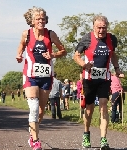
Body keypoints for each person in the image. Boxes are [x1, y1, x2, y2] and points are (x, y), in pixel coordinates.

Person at [16, 6, 67, 150]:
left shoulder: (51, 34)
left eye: (43, 18)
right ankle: (36, 141)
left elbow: (63, 50)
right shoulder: (26, 34)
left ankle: (32, 135)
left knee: (40, 111)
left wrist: (53, 55)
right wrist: (19, 55)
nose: (41, 21)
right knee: (33, 108)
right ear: (32, 21)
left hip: (46, 76)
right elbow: (21, 46)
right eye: (38, 18)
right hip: (30, 75)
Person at [73, 15, 124, 149]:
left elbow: (113, 54)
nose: (101, 30)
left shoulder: (111, 39)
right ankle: (86, 133)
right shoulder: (87, 38)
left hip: (104, 78)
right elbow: (76, 56)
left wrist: (117, 69)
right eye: (99, 28)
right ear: (93, 27)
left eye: (104, 28)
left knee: (103, 105)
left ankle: (103, 139)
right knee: (89, 109)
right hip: (89, 79)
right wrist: (84, 65)